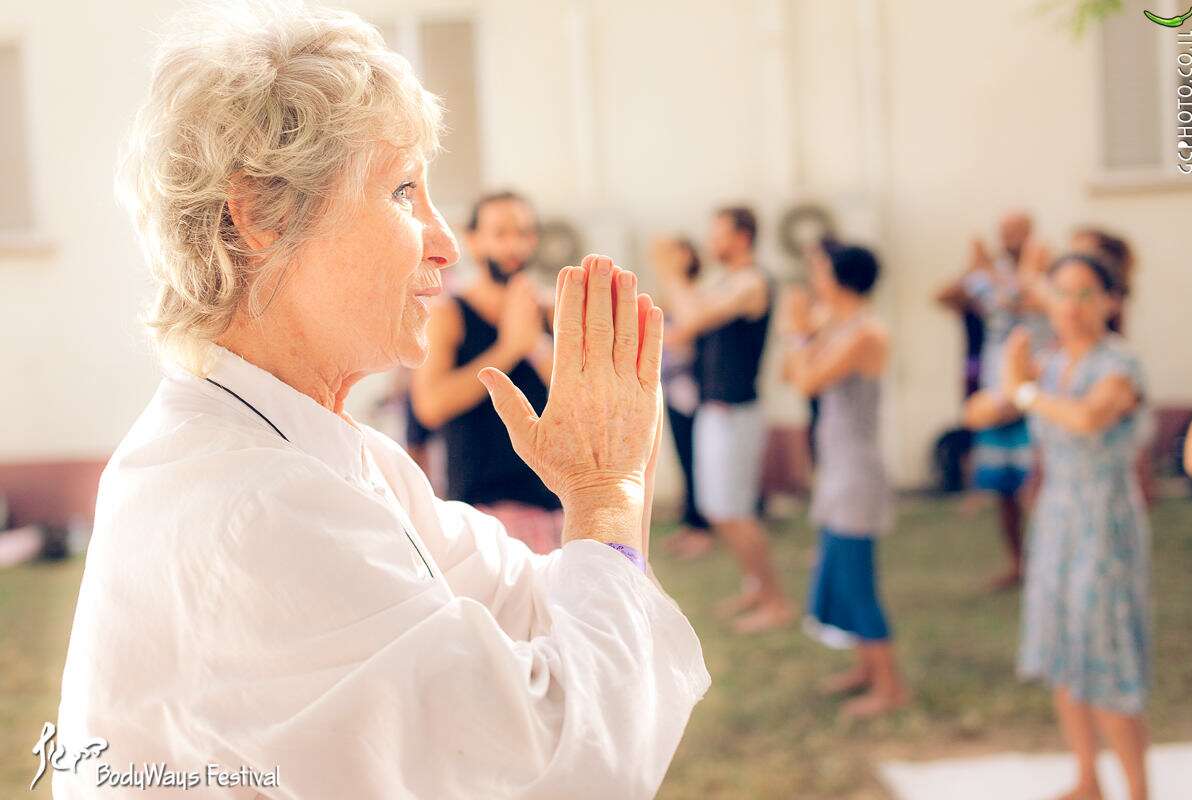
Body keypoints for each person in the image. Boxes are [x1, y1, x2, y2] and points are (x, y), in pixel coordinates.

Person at [54, 5, 708, 798]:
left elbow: (550, 607)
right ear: (259, 210)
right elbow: (566, 764)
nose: (446, 243)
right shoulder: (252, 504)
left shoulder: (327, 456)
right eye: (402, 190)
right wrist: (605, 495)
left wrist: (608, 484)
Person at [1001, 253, 1152, 800]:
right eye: (1061, 292)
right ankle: (1088, 779)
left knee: (1106, 658)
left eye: (1086, 292)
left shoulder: (1119, 364)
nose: (1072, 305)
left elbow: (1088, 418)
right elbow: (989, 405)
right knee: (1065, 653)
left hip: (1103, 520)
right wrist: (1010, 379)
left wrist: (1023, 391)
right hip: (1057, 519)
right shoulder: (1050, 361)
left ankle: (1139, 792)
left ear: (1111, 300)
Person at [783, 244, 907, 719]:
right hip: (837, 466)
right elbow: (792, 372)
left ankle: (890, 687)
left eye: (820, 271)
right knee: (838, 569)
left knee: (857, 579)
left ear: (840, 278)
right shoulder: (840, 327)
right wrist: (803, 337)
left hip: (857, 472)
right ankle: (865, 669)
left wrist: (798, 331)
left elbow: (808, 380)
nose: (814, 280)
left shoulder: (866, 333)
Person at [656, 206, 794, 633]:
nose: (711, 243)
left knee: (733, 512)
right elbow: (681, 329)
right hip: (715, 410)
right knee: (719, 509)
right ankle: (756, 587)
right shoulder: (725, 283)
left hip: (735, 410)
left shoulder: (753, 282)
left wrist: (673, 272)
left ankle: (776, 601)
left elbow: (694, 319)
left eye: (719, 235)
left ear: (743, 237)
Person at [411, 191, 563, 554]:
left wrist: (535, 344)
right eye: (501, 233)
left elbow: (579, 404)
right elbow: (429, 406)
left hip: (553, 501)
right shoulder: (450, 314)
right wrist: (508, 349)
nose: (514, 245)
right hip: (482, 507)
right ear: (474, 239)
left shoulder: (549, 309)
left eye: (524, 233)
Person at [937, 211, 1048, 591]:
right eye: (1004, 232)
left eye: (1016, 231)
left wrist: (996, 270)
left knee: (1037, 483)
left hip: (1037, 392)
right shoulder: (990, 275)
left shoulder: (1047, 271)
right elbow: (945, 296)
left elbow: (1019, 298)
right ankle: (1018, 564)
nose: (1009, 239)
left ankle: (1047, 563)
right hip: (995, 392)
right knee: (1002, 488)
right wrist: (975, 266)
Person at [651, 237, 713, 560]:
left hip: (691, 391)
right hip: (672, 390)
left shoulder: (693, 295)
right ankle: (691, 523)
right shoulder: (670, 294)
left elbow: (686, 334)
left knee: (695, 460)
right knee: (683, 458)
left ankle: (702, 527)